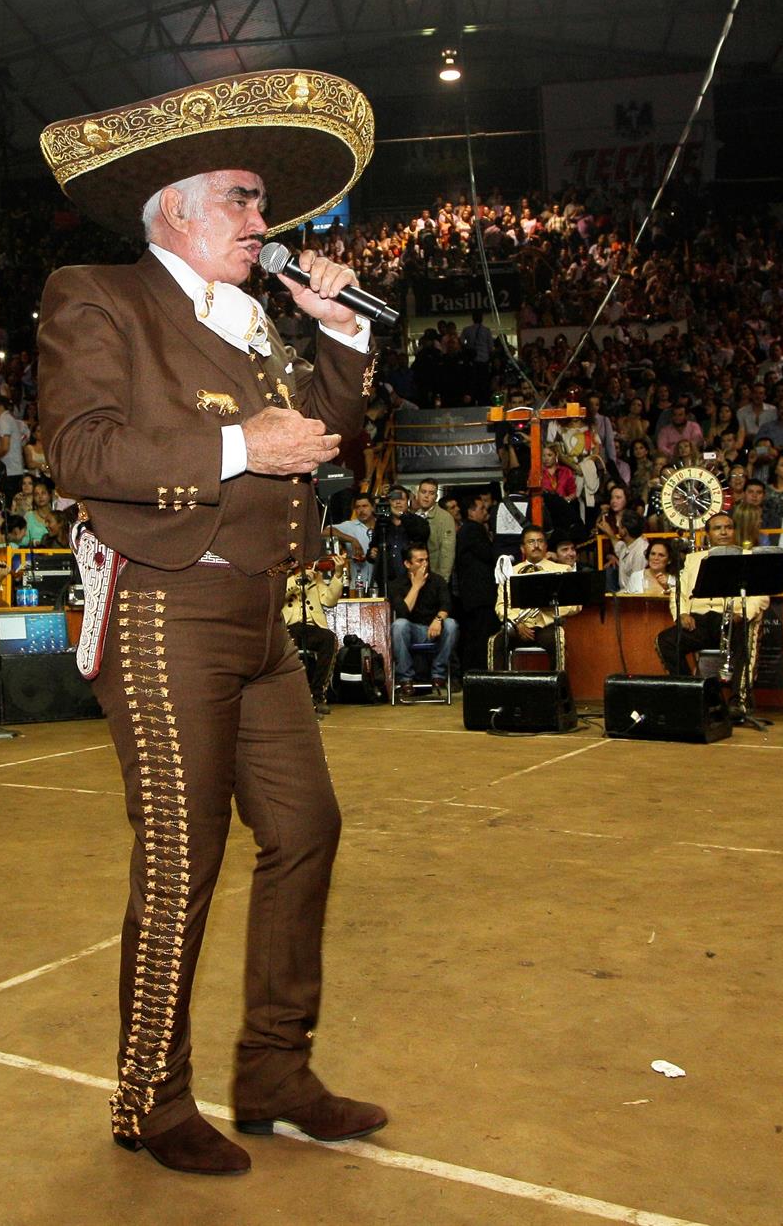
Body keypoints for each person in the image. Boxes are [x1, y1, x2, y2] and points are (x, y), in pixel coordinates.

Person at [34, 68, 384, 1175]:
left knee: (307, 827)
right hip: (164, 604)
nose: (261, 219)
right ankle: (150, 1097)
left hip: (258, 610)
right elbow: (78, 450)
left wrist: (339, 334)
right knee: (184, 856)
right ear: (174, 210)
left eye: (260, 201)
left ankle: (274, 1072)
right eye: (241, 197)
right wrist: (238, 446)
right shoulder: (98, 294)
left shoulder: (258, 323)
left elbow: (319, 437)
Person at [658, 512, 772, 688]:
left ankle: (739, 699)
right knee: (665, 641)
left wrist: (742, 615)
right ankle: (692, 692)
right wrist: (682, 614)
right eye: (717, 528)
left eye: (728, 528)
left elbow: (761, 594)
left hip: (733, 620)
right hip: (699, 622)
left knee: (746, 638)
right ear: (708, 534)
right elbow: (678, 591)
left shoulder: (748, 556)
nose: (723, 532)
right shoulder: (693, 559)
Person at [492, 524, 579, 670]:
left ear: (546, 546)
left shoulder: (563, 570)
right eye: (531, 542)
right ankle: (501, 684)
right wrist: (517, 623)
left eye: (540, 541)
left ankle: (556, 684)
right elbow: (501, 605)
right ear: (522, 548)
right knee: (497, 642)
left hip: (547, 626)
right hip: (518, 626)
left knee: (556, 641)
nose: (536, 545)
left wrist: (550, 608)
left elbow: (575, 605)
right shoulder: (510, 573)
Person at [388, 544, 456, 697]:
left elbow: (446, 605)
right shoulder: (397, 584)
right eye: (420, 561)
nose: (425, 564)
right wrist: (416, 586)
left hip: (435, 629)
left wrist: (438, 620)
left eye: (426, 560)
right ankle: (406, 679)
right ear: (407, 564)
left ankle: (438, 674)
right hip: (411, 631)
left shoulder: (437, 580)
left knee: (451, 624)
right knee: (399, 625)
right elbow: (403, 612)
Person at [282, 553, 346, 713]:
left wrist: (338, 574)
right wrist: (298, 581)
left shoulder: (315, 576)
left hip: (310, 626)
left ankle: (318, 693)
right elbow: (279, 596)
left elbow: (329, 600)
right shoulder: (280, 576)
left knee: (328, 639)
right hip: (287, 627)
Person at [453, 491, 500, 673]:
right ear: (471, 512)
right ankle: (478, 674)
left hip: (472, 596)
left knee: (474, 636)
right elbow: (488, 555)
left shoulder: (465, 530)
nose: (485, 511)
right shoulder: (474, 530)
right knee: (481, 638)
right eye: (481, 508)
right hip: (480, 596)